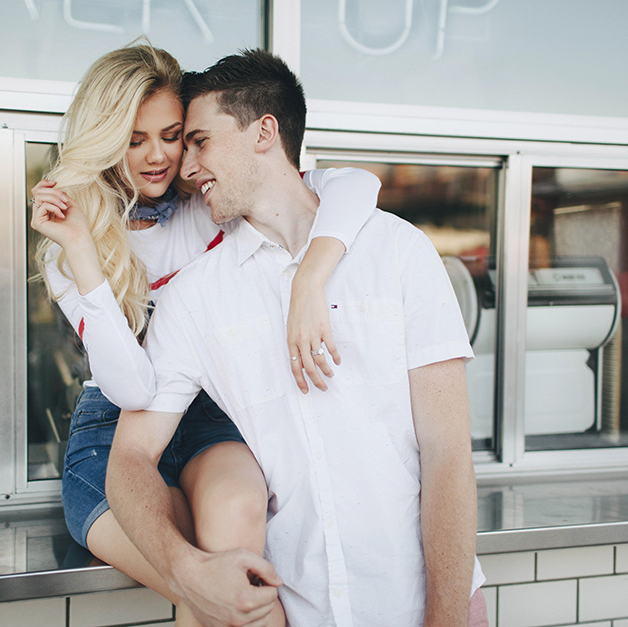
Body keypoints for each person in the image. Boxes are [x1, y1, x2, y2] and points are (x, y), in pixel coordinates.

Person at [106, 49, 487, 627]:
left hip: (427, 606)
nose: (186, 168)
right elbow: (129, 459)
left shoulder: (399, 252)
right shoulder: (194, 299)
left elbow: (448, 456)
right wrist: (184, 570)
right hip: (303, 608)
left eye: (200, 142)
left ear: (264, 132)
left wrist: (446, 619)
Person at [30, 43, 381, 626]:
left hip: (210, 416)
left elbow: (353, 185)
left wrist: (310, 278)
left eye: (172, 136)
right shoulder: (71, 246)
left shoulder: (211, 204)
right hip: (112, 434)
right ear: (106, 138)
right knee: (209, 593)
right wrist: (85, 252)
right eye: (134, 139)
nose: (158, 156)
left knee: (238, 538)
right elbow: (134, 390)